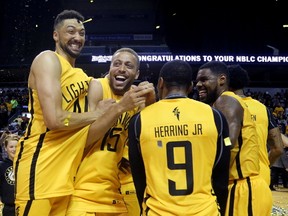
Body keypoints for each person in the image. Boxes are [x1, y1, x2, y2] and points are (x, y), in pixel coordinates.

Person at [13, 10, 150, 216]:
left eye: (82, 33)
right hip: (39, 162)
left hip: (66, 174)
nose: (77, 37)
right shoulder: (48, 59)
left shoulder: (86, 80)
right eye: (70, 31)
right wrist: (105, 112)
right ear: (55, 35)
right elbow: (54, 119)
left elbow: (91, 130)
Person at [128, 60, 231, 216]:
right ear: (190, 86)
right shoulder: (215, 116)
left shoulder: (139, 120)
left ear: (160, 83)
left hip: (158, 211)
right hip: (204, 211)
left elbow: (138, 177)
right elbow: (221, 177)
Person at [66, 47, 156, 215]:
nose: (122, 69)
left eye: (129, 66)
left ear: (137, 74)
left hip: (114, 192)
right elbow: (83, 140)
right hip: (83, 192)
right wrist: (120, 108)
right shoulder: (97, 86)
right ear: (110, 68)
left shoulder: (135, 99)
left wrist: (151, 104)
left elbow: (147, 145)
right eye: (117, 64)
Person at [195, 61, 272, 216]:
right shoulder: (219, 103)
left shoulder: (226, 100)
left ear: (221, 79)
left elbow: (229, 141)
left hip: (243, 187)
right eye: (197, 80)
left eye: (204, 80)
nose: (198, 84)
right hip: (242, 186)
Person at [227, 64, 284, 186]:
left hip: (236, 177)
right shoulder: (262, 108)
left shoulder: (225, 108)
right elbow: (278, 148)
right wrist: (264, 165)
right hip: (261, 177)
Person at [0, 134, 19, 216]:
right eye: (11, 147)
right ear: (6, 148)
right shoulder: (1, 166)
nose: (14, 149)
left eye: (17, 146)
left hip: (24, 206)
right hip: (8, 209)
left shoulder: (26, 165)